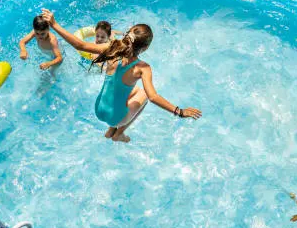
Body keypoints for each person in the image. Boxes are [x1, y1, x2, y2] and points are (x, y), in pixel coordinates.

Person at [41, 8, 202, 143]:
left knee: (131, 90)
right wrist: (180, 111)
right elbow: (153, 97)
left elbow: (80, 44)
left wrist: (54, 24)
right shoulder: (142, 68)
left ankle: (111, 129)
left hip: (98, 109)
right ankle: (118, 133)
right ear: (145, 48)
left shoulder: (112, 47)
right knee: (145, 93)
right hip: (116, 116)